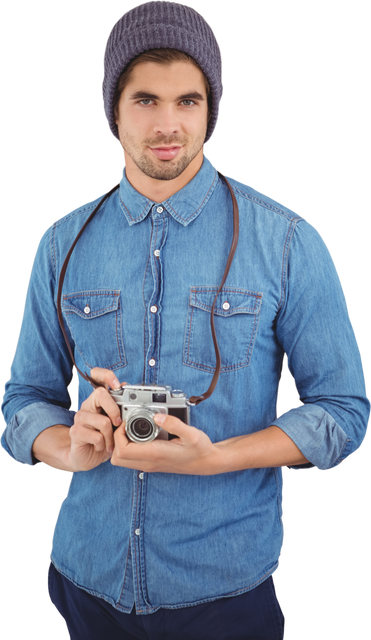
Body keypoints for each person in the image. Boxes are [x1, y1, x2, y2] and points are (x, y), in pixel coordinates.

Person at [0, 2, 369, 639]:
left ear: (212, 107)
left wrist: (217, 459)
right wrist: (65, 447)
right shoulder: (59, 243)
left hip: (224, 590)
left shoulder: (287, 239)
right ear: (112, 108)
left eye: (188, 101)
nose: (168, 124)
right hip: (84, 579)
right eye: (145, 100)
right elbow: (23, 399)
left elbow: (342, 412)